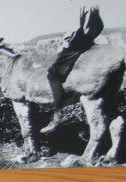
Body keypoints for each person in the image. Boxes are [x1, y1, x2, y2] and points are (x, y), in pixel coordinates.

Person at [42, 4, 104, 134]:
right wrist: (90, 37)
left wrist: (67, 45)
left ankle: (58, 114)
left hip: (75, 45)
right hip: (88, 42)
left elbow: (76, 29)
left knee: (52, 75)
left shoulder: (79, 5)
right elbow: (101, 25)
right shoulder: (93, 4)